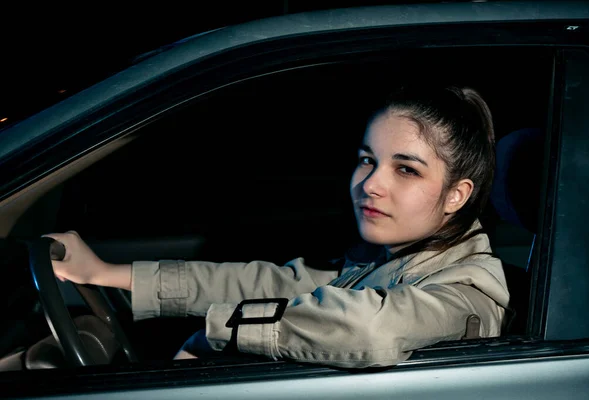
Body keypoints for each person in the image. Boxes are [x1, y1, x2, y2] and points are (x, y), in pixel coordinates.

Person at [45, 85, 509, 369]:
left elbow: (371, 329)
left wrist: (218, 332)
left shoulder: (466, 294)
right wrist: (105, 273)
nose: (371, 184)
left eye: (405, 169)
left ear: (456, 195)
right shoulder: (389, 258)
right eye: (368, 160)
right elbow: (272, 281)